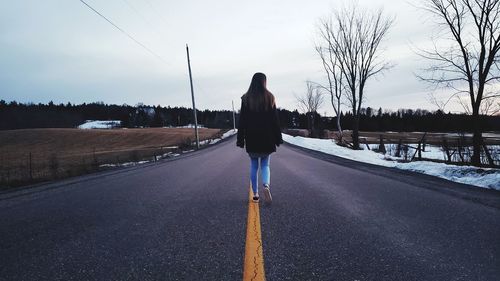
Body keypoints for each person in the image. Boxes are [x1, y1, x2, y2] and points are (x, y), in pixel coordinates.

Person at [237, 72, 283, 203]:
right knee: (265, 165)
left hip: (252, 137)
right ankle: (266, 185)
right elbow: (275, 120)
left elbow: (242, 121)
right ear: (264, 82)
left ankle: (256, 194)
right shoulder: (270, 97)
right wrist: (278, 138)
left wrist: (240, 140)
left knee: (253, 165)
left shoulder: (246, 98)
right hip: (267, 138)